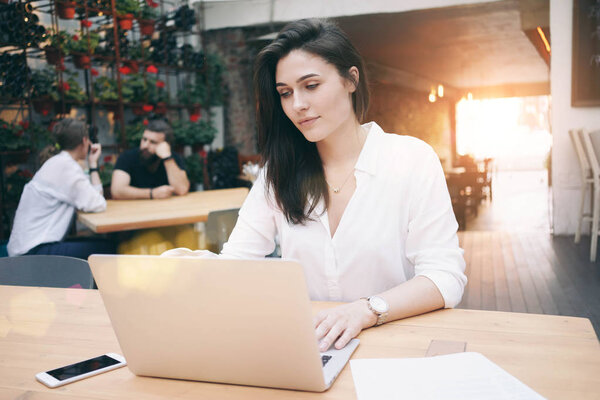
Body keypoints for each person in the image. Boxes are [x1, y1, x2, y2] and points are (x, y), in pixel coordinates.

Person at [165, 19, 466, 353]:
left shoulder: (411, 159)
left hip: (396, 346)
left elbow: (444, 278)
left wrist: (367, 309)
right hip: (313, 350)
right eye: (285, 93)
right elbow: (238, 262)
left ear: (351, 79)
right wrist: (185, 266)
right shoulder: (277, 174)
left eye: (311, 86)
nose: (297, 105)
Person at [7, 118, 115, 259]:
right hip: (33, 254)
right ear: (84, 141)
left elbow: (93, 199)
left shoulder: (58, 163)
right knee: (111, 250)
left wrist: (92, 163)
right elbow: (98, 203)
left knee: (102, 245)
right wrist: (92, 163)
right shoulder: (66, 167)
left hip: (27, 249)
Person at [111, 119, 189, 200]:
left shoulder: (173, 159)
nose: (145, 145)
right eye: (144, 139)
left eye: (153, 142)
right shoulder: (127, 157)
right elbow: (117, 191)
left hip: (166, 210)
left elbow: (182, 189)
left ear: (165, 145)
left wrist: (167, 158)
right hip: (135, 210)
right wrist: (152, 193)